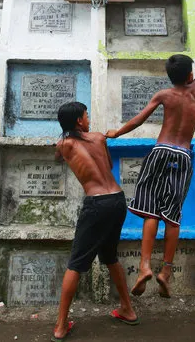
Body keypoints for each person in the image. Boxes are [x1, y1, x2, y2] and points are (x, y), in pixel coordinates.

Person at [106, 25, 195, 298]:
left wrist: (116, 132)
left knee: (150, 212)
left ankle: (144, 265)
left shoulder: (164, 95)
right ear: (191, 74)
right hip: (182, 155)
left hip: (160, 152)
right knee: (172, 217)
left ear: (170, 77)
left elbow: (139, 119)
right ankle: (166, 271)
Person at [52, 102, 138, 342]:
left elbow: (59, 158)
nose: (88, 118)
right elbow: (108, 166)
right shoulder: (99, 137)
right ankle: (127, 310)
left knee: (76, 264)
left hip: (97, 204)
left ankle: (60, 326)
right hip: (117, 200)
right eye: (86, 115)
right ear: (79, 121)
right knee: (110, 256)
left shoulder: (64, 145)